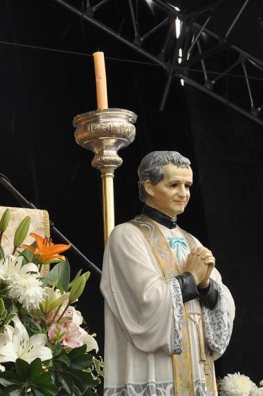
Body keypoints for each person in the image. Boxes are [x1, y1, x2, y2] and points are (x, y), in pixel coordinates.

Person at [100, 151, 235, 396]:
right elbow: (145, 302)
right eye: (173, 185)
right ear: (149, 186)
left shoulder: (191, 240)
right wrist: (191, 278)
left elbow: (222, 303)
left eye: (187, 185)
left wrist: (205, 286)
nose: (183, 193)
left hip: (196, 365)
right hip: (152, 367)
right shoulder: (126, 236)